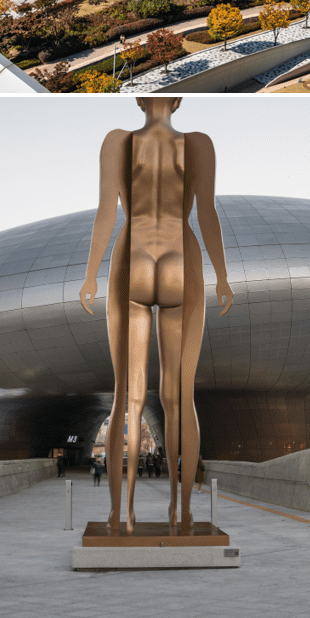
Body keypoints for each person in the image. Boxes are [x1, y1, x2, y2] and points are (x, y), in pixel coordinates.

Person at [79, 97, 234, 533]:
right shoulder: (199, 144)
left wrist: (91, 274)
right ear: (180, 102)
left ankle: (120, 513)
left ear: (139, 100)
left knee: (126, 398)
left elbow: (106, 213)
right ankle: (181, 512)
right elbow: (207, 215)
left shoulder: (118, 142)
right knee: (179, 398)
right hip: (180, 256)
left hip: (134, 254)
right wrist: (221, 277)